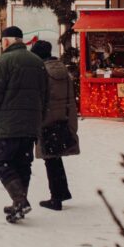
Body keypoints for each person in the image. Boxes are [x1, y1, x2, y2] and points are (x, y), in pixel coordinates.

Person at [0, 26, 48, 223]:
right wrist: (39, 119)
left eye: (3, 42)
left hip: (8, 126)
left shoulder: (4, 61)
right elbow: (45, 94)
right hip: (30, 125)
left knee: (2, 163)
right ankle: (19, 202)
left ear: (7, 41)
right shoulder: (37, 62)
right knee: (22, 164)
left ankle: (19, 200)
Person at [31, 40, 77, 211]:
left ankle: (56, 198)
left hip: (45, 120)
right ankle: (62, 192)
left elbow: (39, 98)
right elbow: (71, 99)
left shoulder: (41, 72)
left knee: (50, 160)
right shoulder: (63, 71)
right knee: (55, 158)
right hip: (61, 119)